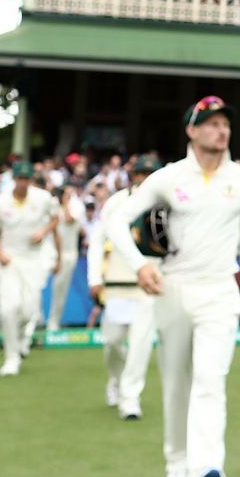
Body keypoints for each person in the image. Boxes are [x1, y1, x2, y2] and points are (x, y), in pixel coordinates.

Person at [108, 96, 240, 477]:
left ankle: (207, 470)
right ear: (192, 131)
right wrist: (141, 265)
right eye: (211, 123)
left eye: (225, 124)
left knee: (210, 380)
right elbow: (115, 221)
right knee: (176, 382)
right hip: (173, 288)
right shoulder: (167, 178)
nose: (221, 130)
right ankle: (176, 466)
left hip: (220, 291)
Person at [87, 155, 160, 419]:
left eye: (151, 175)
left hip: (149, 286)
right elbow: (97, 241)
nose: (146, 180)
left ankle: (131, 398)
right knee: (112, 342)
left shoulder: (165, 205)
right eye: (142, 175)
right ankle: (116, 379)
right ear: (134, 177)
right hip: (117, 283)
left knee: (140, 344)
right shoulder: (116, 203)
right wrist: (94, 278)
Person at [0, 161, 59, 376]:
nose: (23, 182)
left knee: (28, 312)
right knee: (8, 309)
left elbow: (55, 218)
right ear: (14, 179)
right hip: (9, 259)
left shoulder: (43, 198)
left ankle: (19, 340)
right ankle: (11, 358)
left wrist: (44, 232)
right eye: (20, 178)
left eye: (27, 179)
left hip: (34, 261)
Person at [45, 178, 88, 332]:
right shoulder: (53, 205)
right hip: (50, 252)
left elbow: (69, 219)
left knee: (60, 289)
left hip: (69, 254)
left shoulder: (77, 206)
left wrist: (65, 202)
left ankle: (53, 322)